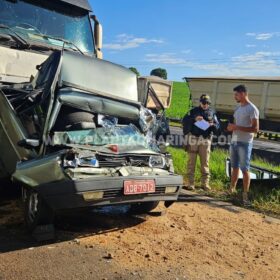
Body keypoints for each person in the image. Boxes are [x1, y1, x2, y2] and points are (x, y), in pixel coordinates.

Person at [227, 85, 259, 205]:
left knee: (245, 169)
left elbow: (255, 129)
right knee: (234, 167)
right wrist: (231, 128)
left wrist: (236, 127)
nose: (234, 96)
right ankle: (232, 190)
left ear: (243, 94)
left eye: (236, 94)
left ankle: (245, 195)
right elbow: (235, 124)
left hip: (245, 143)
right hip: (234, 141)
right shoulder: (238, 108)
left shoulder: (252, 109)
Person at [182, 94, 220, 191]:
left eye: (207, 103)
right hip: (194, 138)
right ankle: (191, 183)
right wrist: (194, 119)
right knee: (191, 162)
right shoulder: (193, 111)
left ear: (209, 103)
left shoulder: (212, 113)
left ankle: (205, 183)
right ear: (200, 102)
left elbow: (218, 126)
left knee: (205, 162)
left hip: (206, 139)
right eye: (203, 102)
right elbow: (184, 120)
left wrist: (212, 125)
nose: (205, 104)